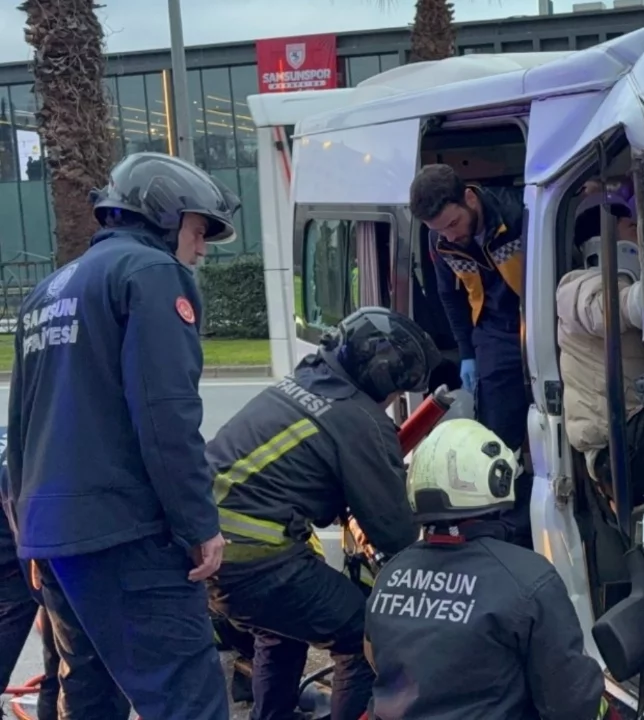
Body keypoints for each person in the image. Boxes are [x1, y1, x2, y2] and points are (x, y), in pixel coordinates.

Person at [3, 151, 239, 720]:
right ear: (163, 213)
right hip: (125, 534)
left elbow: (23, 425)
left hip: (53, 538)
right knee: (190, 697)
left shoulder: (48, 291)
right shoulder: (153, 274)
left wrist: (27, 533)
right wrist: (199, 524)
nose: (201, 246)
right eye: (198, 227)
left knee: (90, 694)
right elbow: (167, 415)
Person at [204, 306, 438, 720]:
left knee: (280, 631)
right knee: (363, 637)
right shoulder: (360, 419)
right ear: (382, 376)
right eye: (399, 392)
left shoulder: (303, 380)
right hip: (256, 562)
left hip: (207, 547)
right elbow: (394, 533)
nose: (396, 401)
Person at [364, 418, 607, 720]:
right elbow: (571, 701)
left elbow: (376, 660)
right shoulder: (528, 578)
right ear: (497, 479)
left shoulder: (390, 574)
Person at [557, 187, 644, 506]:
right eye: (631, 227)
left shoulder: (624, 284)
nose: (640, 236)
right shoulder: (575, 286)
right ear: (605, 239)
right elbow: (603, 310)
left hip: (637, 431)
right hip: (616, 450)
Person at [408, 164, 527, 453]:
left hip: (542, 320)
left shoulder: (518, 215)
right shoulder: (441, 240)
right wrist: (467, 353)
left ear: (469, 199)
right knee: (496, 434)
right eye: (437, 230)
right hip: (494, 331)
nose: (448, 237)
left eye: (452, 224)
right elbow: (449, 295)